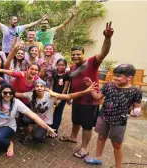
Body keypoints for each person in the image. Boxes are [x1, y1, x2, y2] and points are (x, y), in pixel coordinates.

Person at [59, 22, 114, 159]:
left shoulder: (92, 62)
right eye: (73, 55)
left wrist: (107, 38)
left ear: (83, 53)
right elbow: (72, 81)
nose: (75, 56)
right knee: (75, 121)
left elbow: (104, 52)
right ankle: (72, 137)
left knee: (87, 126)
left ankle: (84, 148)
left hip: (90, 102)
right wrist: (70, 96)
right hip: (77, 99)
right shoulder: (72, 67)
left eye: (78, 54)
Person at [83, 64, 142, 168]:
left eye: (119, 76)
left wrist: (136, 111)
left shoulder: (135, 91)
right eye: (114, 75)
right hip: (104, 117)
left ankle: (118, 166)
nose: (115, 77)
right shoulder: (108, 85)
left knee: (117, 145)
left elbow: (137, 107)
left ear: (129, 78)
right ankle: (97, 158)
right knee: (101, 137)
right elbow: (97, 97)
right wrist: (90, 87)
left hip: (119, 121)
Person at [16, 79, 96, 143]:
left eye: (41, 86)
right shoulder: (30, 94)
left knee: (37, 137)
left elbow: (69, 96)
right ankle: (28, 132)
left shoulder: (51, 96)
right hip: (35, 118)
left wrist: (86, 91)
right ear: (34, 88)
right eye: (37, 86)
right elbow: (17, 94)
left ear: (45, 88)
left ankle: (44, 132)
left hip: (46, 122)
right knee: (24, 119)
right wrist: (5, 91)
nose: (39, 88)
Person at [51, 58, 70, 133]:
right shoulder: (54, 73)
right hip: (53, 95)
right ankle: (49, 127)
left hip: (61, 97)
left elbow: (65, 87)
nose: (61, 67)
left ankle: (55, 129)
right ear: (56, 65)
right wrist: (51, 94)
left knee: (58, 113)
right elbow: (52, 85)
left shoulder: (67, 76)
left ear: (65, 66)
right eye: (59, 65)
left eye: (63, 65)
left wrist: (60, 98)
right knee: (50, 111)